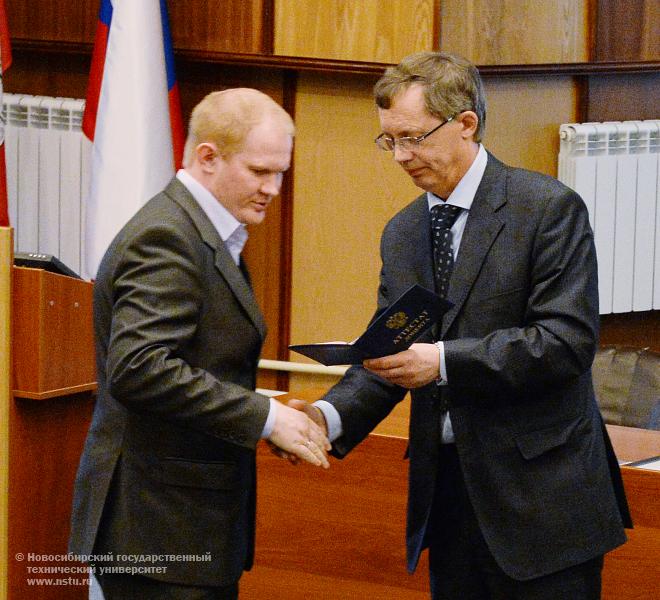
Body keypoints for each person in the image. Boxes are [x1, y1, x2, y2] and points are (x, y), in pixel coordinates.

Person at [291, 52, 631, 599]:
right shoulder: (403, 233)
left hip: (543, 504)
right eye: (389, 141)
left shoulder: (547, 209)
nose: (400, 156)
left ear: (466, 124)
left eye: (413, 138)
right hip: (449, 500)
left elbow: (564, 342)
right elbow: (390, 353)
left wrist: (443, 361)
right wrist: (326, 418)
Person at [69, 88, 330, 600]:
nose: (274, 188)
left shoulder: (207, 232)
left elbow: (198, 361)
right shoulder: (167, 237)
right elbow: (141, 368)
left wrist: (272, 407)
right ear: (207, 157)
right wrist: (264, 417)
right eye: (259, 171)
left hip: (181, 526)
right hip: (158, 529)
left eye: (281, 172)